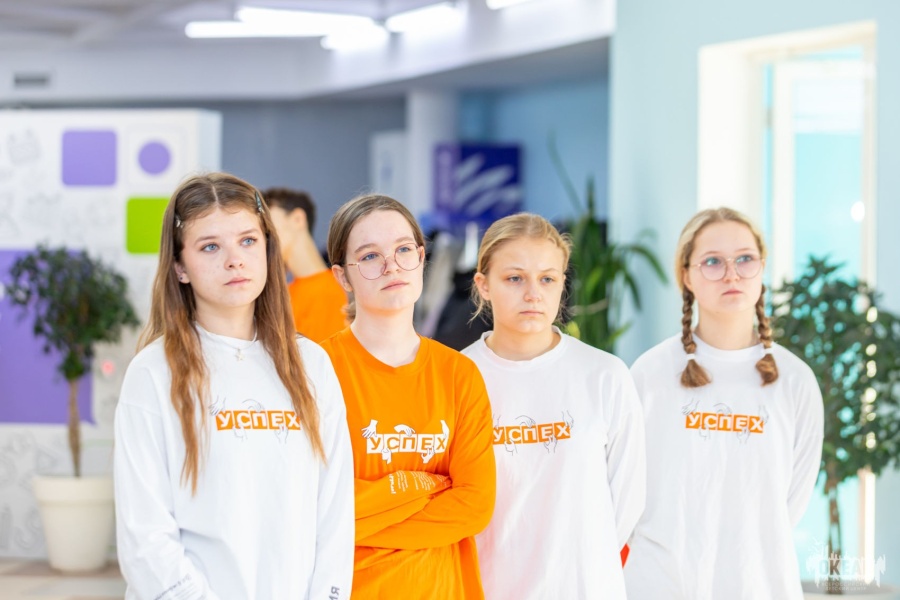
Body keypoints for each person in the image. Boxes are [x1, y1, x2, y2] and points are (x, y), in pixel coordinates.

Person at [114, 173, 354, 600]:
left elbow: (335, 512)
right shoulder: (153, 372)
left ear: (268, 250)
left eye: (247, 241)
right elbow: (144, 535)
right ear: (180, 267)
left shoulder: (311, 364)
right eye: (210, 246)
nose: (235, 260)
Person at [623, 207, 824, 600]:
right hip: (660, 586)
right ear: (686, 276)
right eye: (713, 262)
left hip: (761, 586)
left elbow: (792, 502)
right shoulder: (650, 373)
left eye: (745, 259)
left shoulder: (795, 380)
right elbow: (626, 488)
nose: (732, 274)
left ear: (762, 268)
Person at [319, 193, 496, 599]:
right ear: (342, 277)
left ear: (420, 258)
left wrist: (361, 518)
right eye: (369, 256)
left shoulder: (459, 374)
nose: (391, 266)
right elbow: (314, 508)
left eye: (402, 250)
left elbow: (474, 507)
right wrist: (427, 487)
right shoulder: (317, 370)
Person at [462, 213, 646, 599]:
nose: (533, 294)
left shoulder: (605, 375)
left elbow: (627, 502)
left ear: (563, 283)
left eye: (547, 279)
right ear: (484, 285)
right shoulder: (458, 377)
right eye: (515, 278)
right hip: (489, 589)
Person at [264, 186, 348, 341]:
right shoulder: (282, 295)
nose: (263, 234)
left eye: (268, 222)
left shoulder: (331, 291)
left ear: (297, 219)